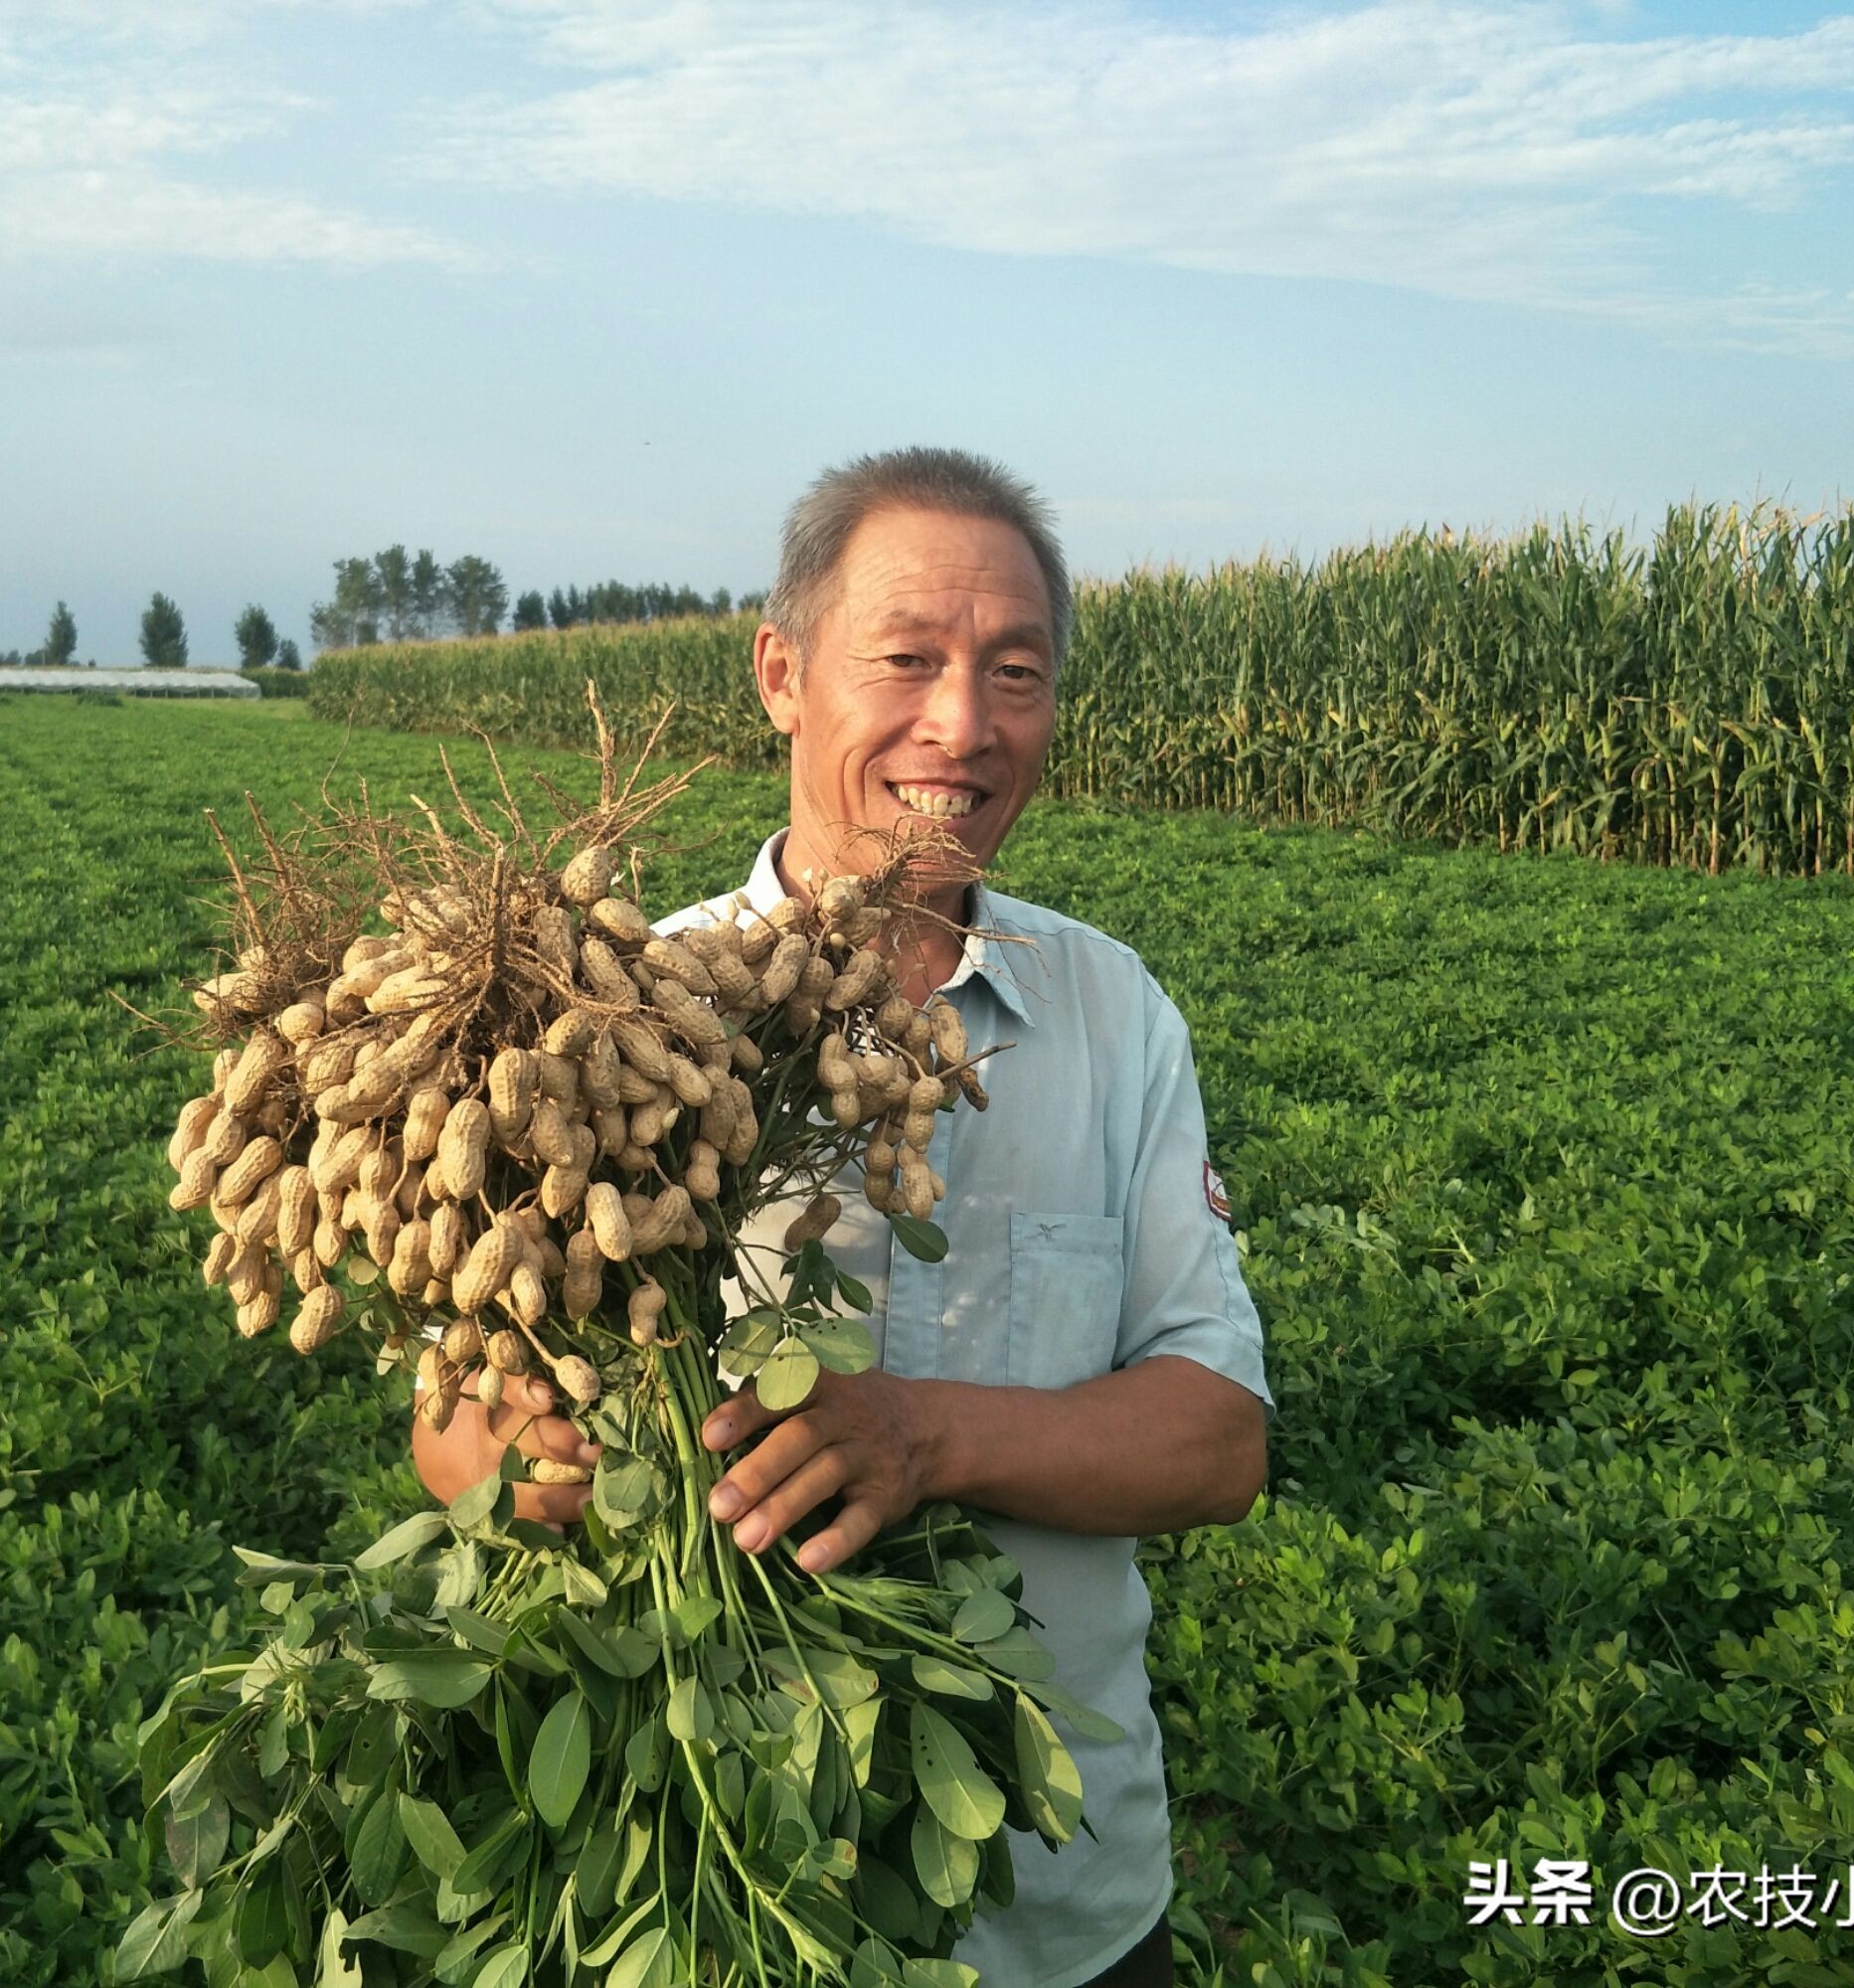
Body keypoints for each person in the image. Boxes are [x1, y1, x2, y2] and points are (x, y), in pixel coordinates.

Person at [412, 445, 1273, 1988]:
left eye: (1016, 673)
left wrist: (923, 1437)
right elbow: (452, 1427)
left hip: (1059, 1902)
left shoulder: (1116, 1013)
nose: (964, 724)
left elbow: (1217, 1443)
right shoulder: (602, 1018)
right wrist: (511, 1459)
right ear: (781, 676)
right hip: (712, 1881)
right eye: (909, 660)